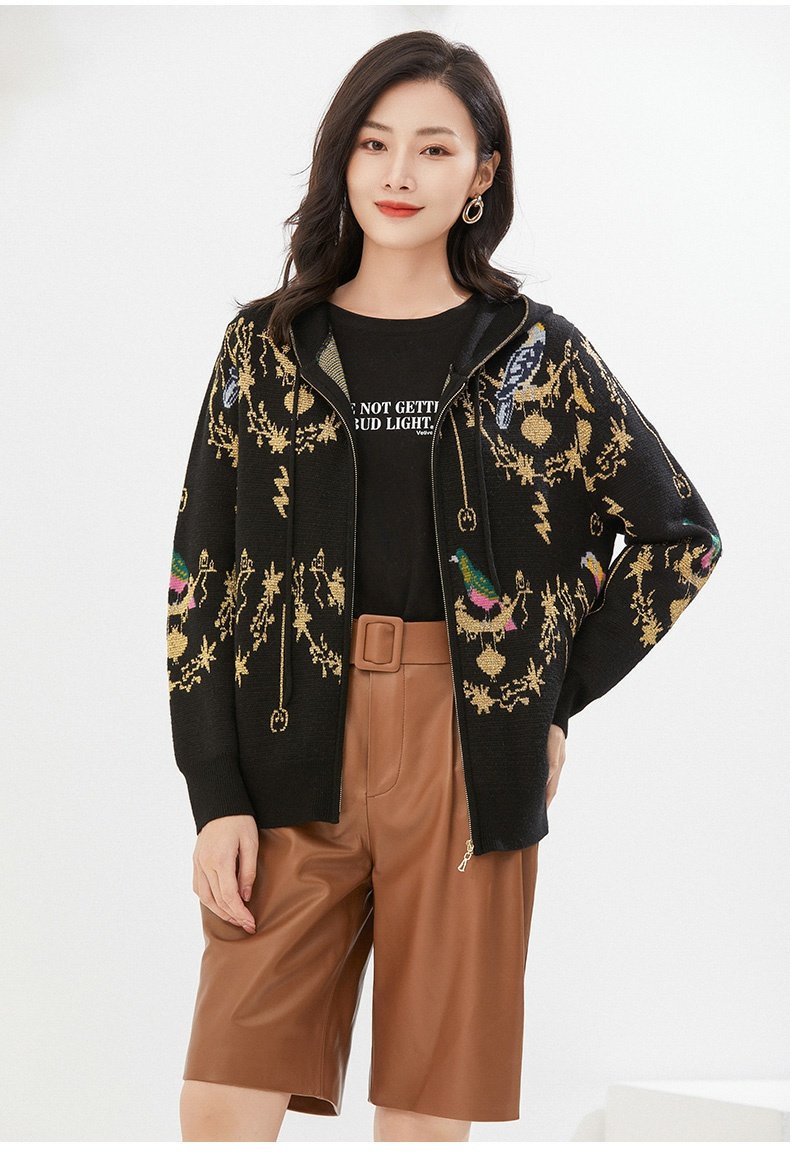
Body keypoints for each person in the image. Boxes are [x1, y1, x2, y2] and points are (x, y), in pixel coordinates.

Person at [166, 30, 723, 1143]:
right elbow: (199, 579)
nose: (399, 173)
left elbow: (682, 541)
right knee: (222, 1100)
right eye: (375, 144)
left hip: (470, 752)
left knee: (425, 1120)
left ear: (482, 173)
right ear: (342, 159)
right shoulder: (264, 349)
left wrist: (549, 697)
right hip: (288, 744)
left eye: (434, 148)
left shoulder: (536, 354)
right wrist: (214, 791)